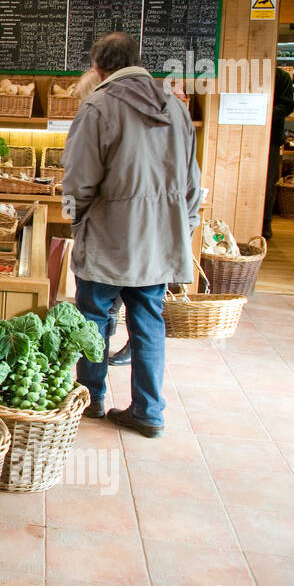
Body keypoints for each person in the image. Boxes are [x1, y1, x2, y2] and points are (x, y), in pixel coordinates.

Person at [63, 32, 201, 438]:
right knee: (148, 323)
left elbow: (78, 182)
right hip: (161, 239)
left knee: (92, 320)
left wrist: (78, 223)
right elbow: (193, 181)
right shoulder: (175, 107)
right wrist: (183, 227)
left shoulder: (98, 106)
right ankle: (149, 412)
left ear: (99, 67)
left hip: (108, 236)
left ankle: (91, 398)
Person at [262, 68, 294, 240]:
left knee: (268, 183)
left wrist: (264, 113)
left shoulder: (281, 77)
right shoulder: (249, 72)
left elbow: (287, 106)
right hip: (245, 132)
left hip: (271, 138)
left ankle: (265, 223)